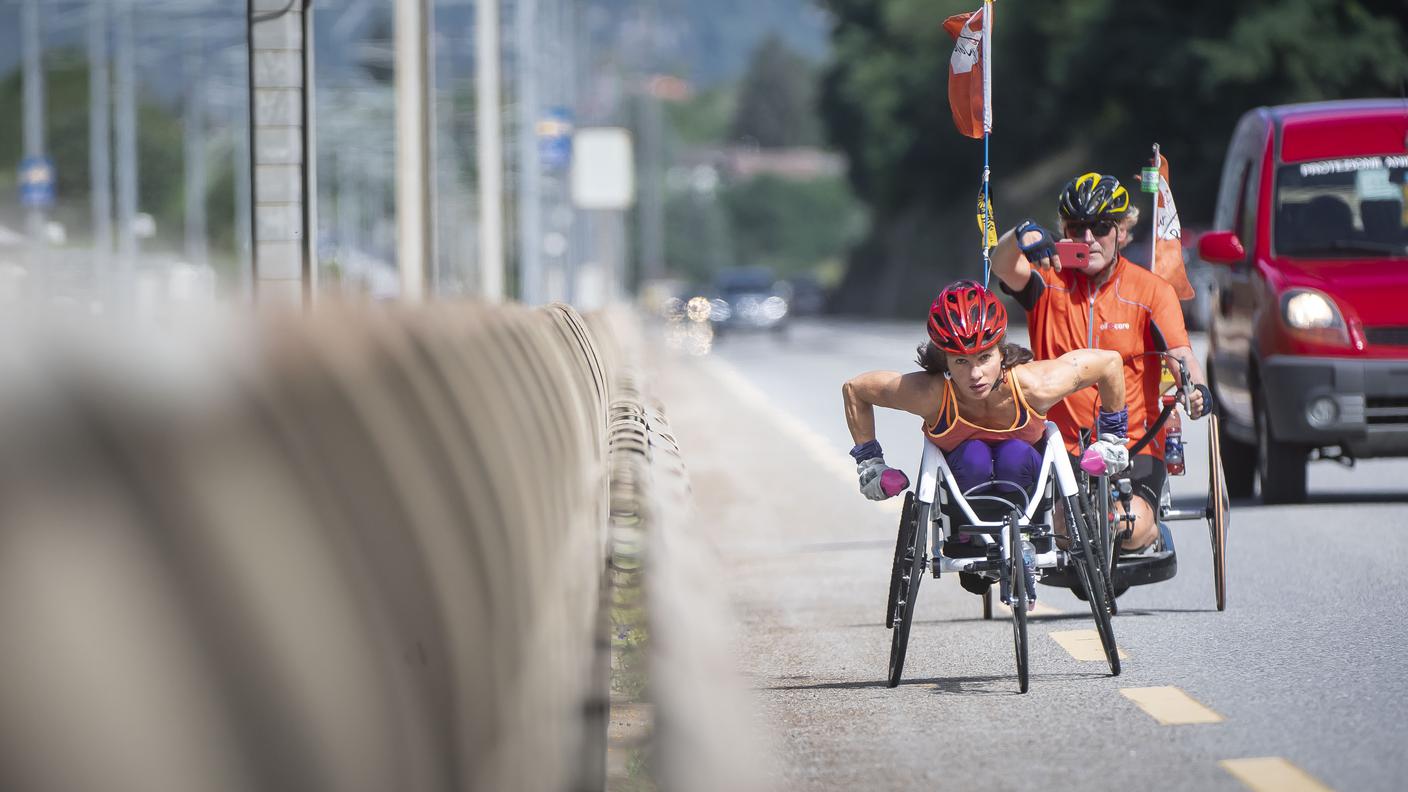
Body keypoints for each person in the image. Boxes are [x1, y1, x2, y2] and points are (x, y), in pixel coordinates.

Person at [842, 281, 1129, 598]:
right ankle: (974, 549)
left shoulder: (1036, 384)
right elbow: (855, 389)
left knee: (1013, 455)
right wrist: (870, 465)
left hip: (1026, 491)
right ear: (945, 361)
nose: (975, 374)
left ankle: (1016, 540)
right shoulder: (931, 394)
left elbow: (1110, 363)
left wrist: (1113, 439)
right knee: (974, 455)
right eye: (961, 362)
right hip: (963, 503)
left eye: (984, 357)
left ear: (1001, 351)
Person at [989, 172, 1211, 556]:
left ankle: (1144, 528)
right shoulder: (1047, 278)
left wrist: (1195, 388)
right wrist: (1019, 234)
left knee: (1134, 528)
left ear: (1122, 232)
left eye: (1101, 228)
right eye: (1076, 228)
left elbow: (1180, 353)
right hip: (1063, 444)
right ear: (1063, 231)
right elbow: (1000, 265)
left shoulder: (1151, 290)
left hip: (1134, 441)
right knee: (1067, 529)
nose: (1088, 239)